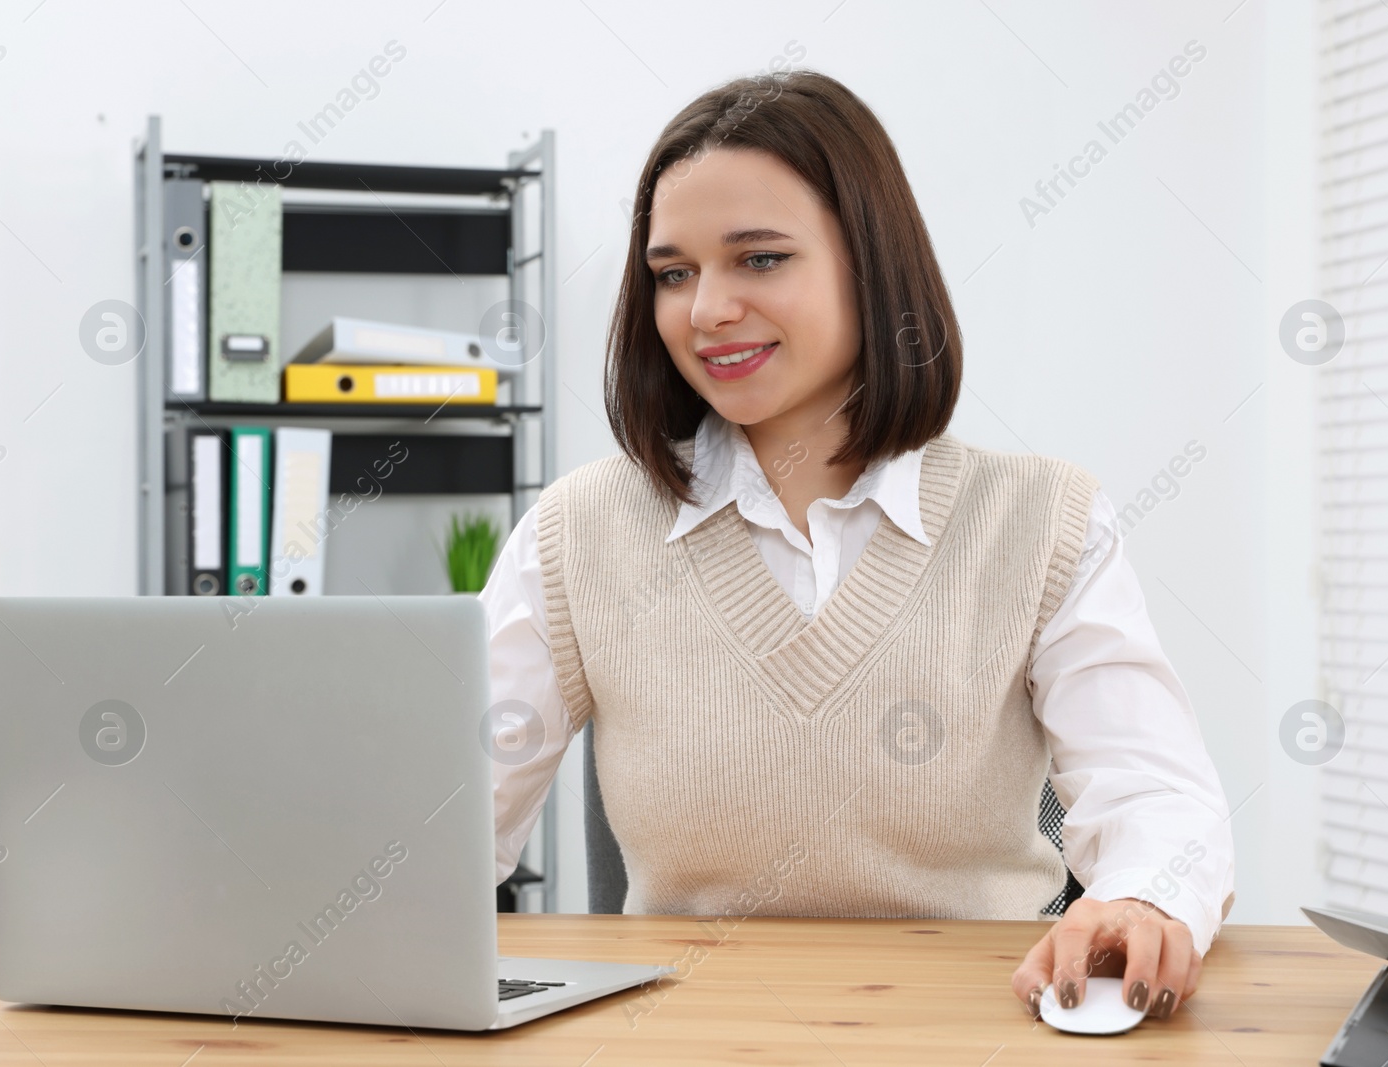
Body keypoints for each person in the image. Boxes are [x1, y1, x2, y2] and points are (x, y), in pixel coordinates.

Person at [479, 68, 1235, 1022]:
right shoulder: (575, 533)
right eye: (673, 273)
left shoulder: (1043, 521)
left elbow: (1154, 789)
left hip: (973, 1030)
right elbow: (442, 817)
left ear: (870, 266)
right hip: (685, 1036)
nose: (706, 309)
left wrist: (1143, 895)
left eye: (758, 258)